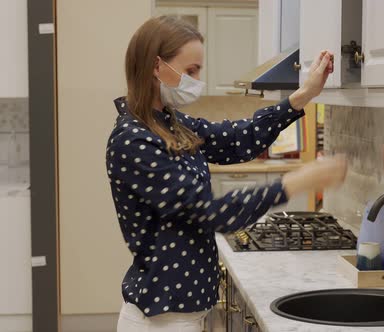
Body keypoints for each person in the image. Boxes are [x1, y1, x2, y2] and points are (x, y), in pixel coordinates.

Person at [106, 16, 347, 332]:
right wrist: (294, 183)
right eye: (190, 70)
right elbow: (208, 212)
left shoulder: (171, 124)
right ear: (156, 66)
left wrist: (301, 97)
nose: (197, 79)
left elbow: (237, 139)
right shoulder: (133, 140)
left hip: (182, 313)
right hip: (160, 320)